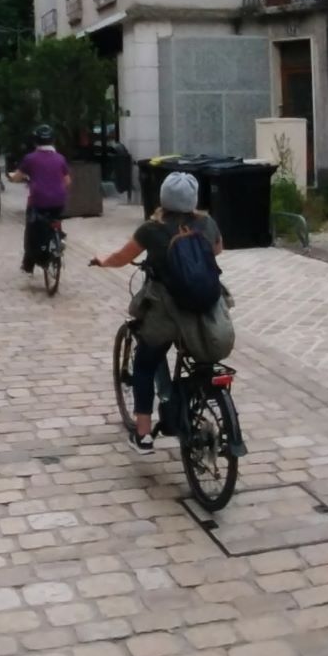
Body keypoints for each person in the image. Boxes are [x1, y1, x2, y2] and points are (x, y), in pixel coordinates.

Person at [90, 172, 223, 454]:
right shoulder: (206, 223)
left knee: (145, 363)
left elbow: (122, 257)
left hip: (166, 310)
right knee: (197, 361)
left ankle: (143, 435)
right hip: (202, 307)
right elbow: (217, 250)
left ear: (163, 197)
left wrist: (103, 261)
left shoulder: (152, 228)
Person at [7, 124, 71, 274]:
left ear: (35, 141)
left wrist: (12, 178)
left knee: (32, 230)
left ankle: (28, 264)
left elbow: (17, 177)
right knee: (55, 220)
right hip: (59, 201)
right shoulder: (60, 158)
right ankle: (58, 238)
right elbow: (67, 181)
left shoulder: (30, 159)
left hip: (39, 201)